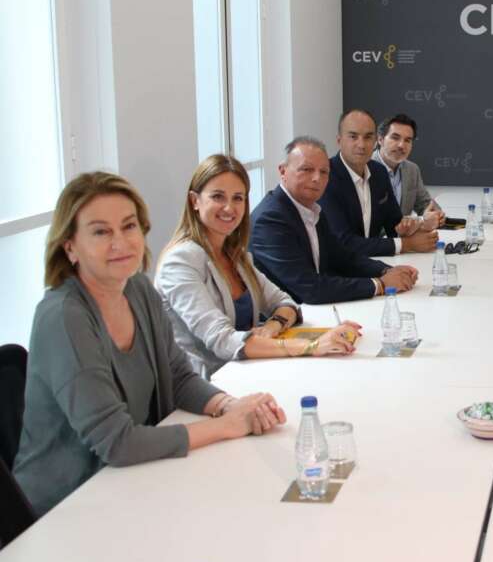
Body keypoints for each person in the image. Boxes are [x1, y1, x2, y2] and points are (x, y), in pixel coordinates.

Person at [13, 172, 286, 516]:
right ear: (69, 246)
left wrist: (229, 405)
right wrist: (227, 426)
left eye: (129, 227)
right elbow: (118, 442)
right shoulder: (63, 316)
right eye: (100, 232)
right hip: (68, 505)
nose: (120, 243)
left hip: (136, 480)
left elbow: (179, 377)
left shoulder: (138, 289)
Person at [156, 155, 363, 377]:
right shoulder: (179, 262)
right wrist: (311, 346)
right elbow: (222, 340)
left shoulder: (235, 255)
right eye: (218, 196)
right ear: (194, 201)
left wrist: (272, 326)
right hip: (208, 387)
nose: (229, 208)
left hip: (251, 372)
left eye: (238, 198)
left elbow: (286, 304)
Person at [250, 137, 418, 304]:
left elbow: (343, 257)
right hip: (285, 321)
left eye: (324, 172)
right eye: (306, 169)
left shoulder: (313, 209)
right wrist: (380, 284)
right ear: (282, 171)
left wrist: (387, 271)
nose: (317, 178)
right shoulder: (270, 220)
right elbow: (310, 288)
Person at [319, 109, 439, 257]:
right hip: (336, 270)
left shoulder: (379, 172)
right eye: (353, 136)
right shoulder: (325, 176)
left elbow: (394, 225)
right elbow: (344, 242)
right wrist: (407, 244)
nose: (361, 145)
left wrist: (411, 229)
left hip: (372, 261)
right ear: (339, 140)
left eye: (368, 137)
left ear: (375, 141)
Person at [371, 113, 445, 226]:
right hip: (375, 241)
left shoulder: (412, 170)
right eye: (395, 138)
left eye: (407, 140)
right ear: (380, 139)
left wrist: (436, 215)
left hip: (405, 239)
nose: (401, 145)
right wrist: (421, 221)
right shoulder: (365, 167)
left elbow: (424, 204)